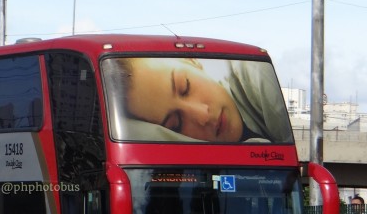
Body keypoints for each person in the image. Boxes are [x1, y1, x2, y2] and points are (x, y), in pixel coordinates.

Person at [105, 57, 293, 143]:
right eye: (175, 125)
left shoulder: (253, 72)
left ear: (192, 61)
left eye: (185, 87)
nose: (203, 116)